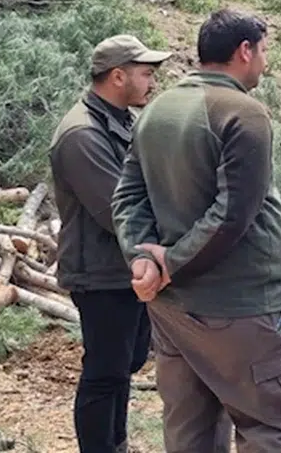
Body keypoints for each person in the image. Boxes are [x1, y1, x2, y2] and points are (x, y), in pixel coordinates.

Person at [112, 9, 281, 452]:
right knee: (272, 429)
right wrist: (170, 264)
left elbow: (128, 195)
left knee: (190, 432)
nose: (265, 63)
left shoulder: (157, 110)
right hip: (240, 308)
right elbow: (233, 213)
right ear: (244, 51)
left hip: (172, 310)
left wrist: (143, 259)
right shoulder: (244, 113)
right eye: (263, 51)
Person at [50, 34, 168, 453]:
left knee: (124, 364)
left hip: (123, 268)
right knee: (104, 373)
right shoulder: (82, 134)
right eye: (146, 73)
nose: (153, 82)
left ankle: (116, 443)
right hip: (100, 273)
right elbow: (117, 210)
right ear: (118, 76)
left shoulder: (116, 120)